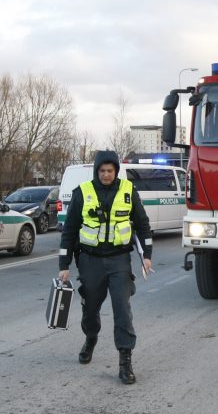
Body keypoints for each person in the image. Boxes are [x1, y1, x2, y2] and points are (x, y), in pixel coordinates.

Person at [58, 150, 153, 384]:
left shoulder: (128, 191)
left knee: (122, 309)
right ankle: (91, 338)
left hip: (119, 259)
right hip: (90, 260)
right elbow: (69, 231)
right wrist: (64, 265)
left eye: (110, 171)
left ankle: (125, 361)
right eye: (102, 171)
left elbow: (143, 225)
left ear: (116, 171)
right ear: (96, 171)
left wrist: (147, 256)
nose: (106, 175)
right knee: (90, 309)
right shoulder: (83, 193)